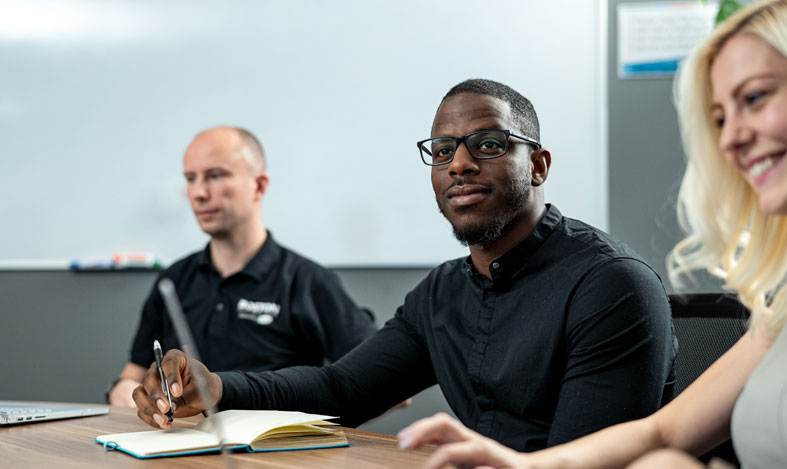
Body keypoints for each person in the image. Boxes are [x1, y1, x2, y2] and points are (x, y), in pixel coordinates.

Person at [397, 1, 787, 468]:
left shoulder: (610, 280)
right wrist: (523, 465)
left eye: (755, 98)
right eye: (720, 118)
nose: (731, 138)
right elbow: (663, 432)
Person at [133, 80, 677, 452]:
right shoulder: (442, 294)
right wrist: (218, 388)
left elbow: (583, 462)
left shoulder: (612, 286)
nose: (459, 163)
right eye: (442, 151)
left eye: (488, 143)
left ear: (537, 166)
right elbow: (342, 389)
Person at [107, 126, 377, 407]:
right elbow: (133, 375)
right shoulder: (173, 281)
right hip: (181, 435)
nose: (198, 193)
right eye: (191, 178)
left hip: (275, 436)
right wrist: (127, 393)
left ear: (259, 186)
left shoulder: (308, 282)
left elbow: (379, 380)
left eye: (215, 176)